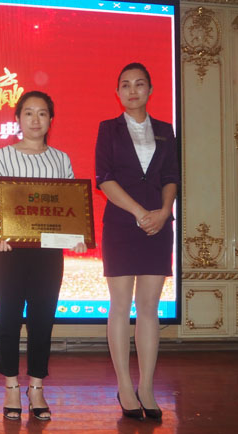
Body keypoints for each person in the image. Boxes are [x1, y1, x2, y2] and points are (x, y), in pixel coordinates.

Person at [0, 91, 87, 421]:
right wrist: (0, 234)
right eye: (28, 113)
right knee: (8, 319)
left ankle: (36, 387)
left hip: (48, 254)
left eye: (42, 113)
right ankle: (12, 386)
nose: (35, 119)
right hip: (10, 252)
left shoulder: (60, 159)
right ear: (18, 119)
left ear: (51, 120)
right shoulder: (2, 155)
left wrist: (76, 237)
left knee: (42, 320)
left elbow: (68, 206)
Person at [95, 63, 178, 421]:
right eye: (125, 85)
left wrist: (163, 212)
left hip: (158, 225)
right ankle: (125, 386)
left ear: (150, 90)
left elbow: (171, 177)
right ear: (117, 92)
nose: (132, 90)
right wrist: (140, 212)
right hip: (121, 223)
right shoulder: (108, 129)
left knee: (148, 308)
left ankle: (146, 387)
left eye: (139, 84)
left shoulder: (165, 130)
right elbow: (104, 178)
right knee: (120, 306)